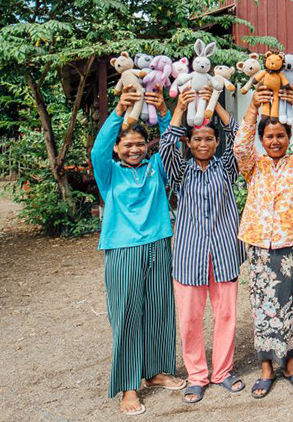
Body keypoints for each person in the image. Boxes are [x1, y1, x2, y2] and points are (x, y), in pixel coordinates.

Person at [91, 85, 184, 415]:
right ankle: (129, 386)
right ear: (117, 148)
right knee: (127, 314)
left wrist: (162, 112)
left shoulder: (155, 167)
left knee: (159, 309)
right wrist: (119, 111)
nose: (134, 149)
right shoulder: (110, 173)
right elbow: (97, 151)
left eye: (139, 144)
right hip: (122, 248)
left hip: (159, 241)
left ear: (147, 146)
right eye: (127, 144)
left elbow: (174, 145)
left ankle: (156, 371)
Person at [159, 86, 245, 403]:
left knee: (226, 316)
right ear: (189, 143)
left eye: (209, 138)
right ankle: (197, 375)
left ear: (217, 141)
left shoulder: (227, 166)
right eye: (197, 139)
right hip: (189, 255)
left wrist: (215, 105)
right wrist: (181, 108)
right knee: (190, 320)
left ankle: (222, 372)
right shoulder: (180, 171)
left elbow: (241, 135)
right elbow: (167, 144)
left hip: (223, 252)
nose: (204, 143)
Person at [233, 84, 293, 398]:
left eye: (281, 135)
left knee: (292, 306)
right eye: (269, 136)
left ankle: (291, 365)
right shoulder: (253, 166)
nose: (276, 141)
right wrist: (254, 106)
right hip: (260, 248)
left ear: (288, 137)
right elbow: (241, 145)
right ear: (262, 140)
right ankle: (267, 369)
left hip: (292, 247)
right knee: (263, 308)